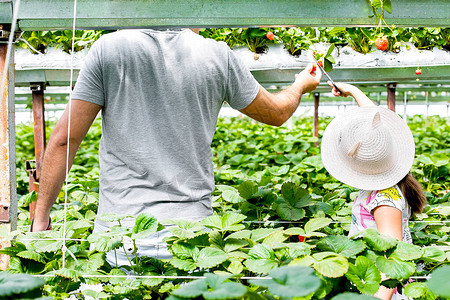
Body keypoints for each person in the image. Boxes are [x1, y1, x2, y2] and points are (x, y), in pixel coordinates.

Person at [30, 28, 322, 264]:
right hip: (191, 236)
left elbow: (64, 140)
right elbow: (276, 113)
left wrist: (40, 220)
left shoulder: (109, 49)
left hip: (121, 233)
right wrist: (299, 85)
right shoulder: (218, 54)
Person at [321, 82, 427, 300]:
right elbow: (375, 128)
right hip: (372, 285)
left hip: (383, 292)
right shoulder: (388, 183)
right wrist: (353, 91)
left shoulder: (383, 198)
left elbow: (392, 258)